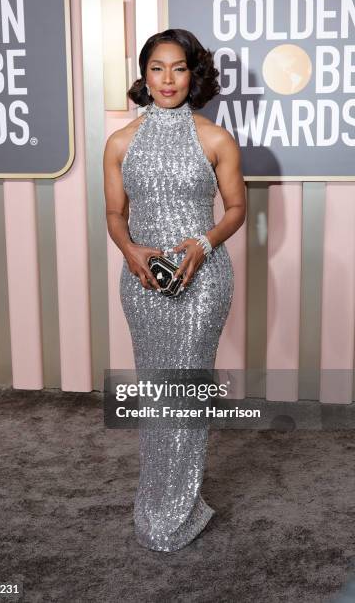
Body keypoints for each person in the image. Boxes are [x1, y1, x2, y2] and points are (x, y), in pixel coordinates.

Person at [103, 28, 246, 552]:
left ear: (193, 74)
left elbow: (236, 210)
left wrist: (202, 246)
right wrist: (130, 250)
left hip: (204, 280)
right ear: (144, 75)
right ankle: (159, 497)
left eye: (179, 68)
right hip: (142, 280)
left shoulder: (214, 138)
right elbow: (115, 214)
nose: (168, 79)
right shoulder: (120, 142)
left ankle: (177, 507)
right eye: (158, 68)